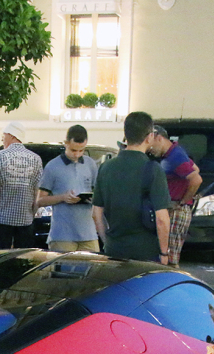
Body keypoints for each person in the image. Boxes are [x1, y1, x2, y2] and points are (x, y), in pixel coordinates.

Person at [93, 111, 171, 263]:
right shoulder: (153, 169)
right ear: (149, 137)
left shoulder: (106, 167)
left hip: (114, 249)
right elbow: (162, 219)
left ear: (126, 135)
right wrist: (164, 253)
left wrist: (106, 240)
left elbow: (96, 213)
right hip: (146, 252)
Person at [36, 125, 99, 252]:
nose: (77, 155)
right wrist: (63, 197)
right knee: (63, 271)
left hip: (88, 234)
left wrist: (91, 198)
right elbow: (40, 200)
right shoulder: (52, 166)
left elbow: (98, 195)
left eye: (82, 150)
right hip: (62, 236)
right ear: (66, 144)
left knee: (93, 270)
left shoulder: (90, 164)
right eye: (74, 150)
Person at [149, 125, 202, 266]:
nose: (150, 148)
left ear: (159, 138)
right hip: (173, 207)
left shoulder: (174, 156)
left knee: (169, 257)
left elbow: (196, 179)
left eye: (151, 143)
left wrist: (184, 200)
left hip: (176, 209)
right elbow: (195, 168)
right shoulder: (175, 153)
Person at [0, 121, 43, 250]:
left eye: (4, 135)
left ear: (12, 135)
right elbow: (37, 191)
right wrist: (33, 212)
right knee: (23, 259)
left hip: (2, 218)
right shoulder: (36, 159)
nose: (2, 139)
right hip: (26, 219)